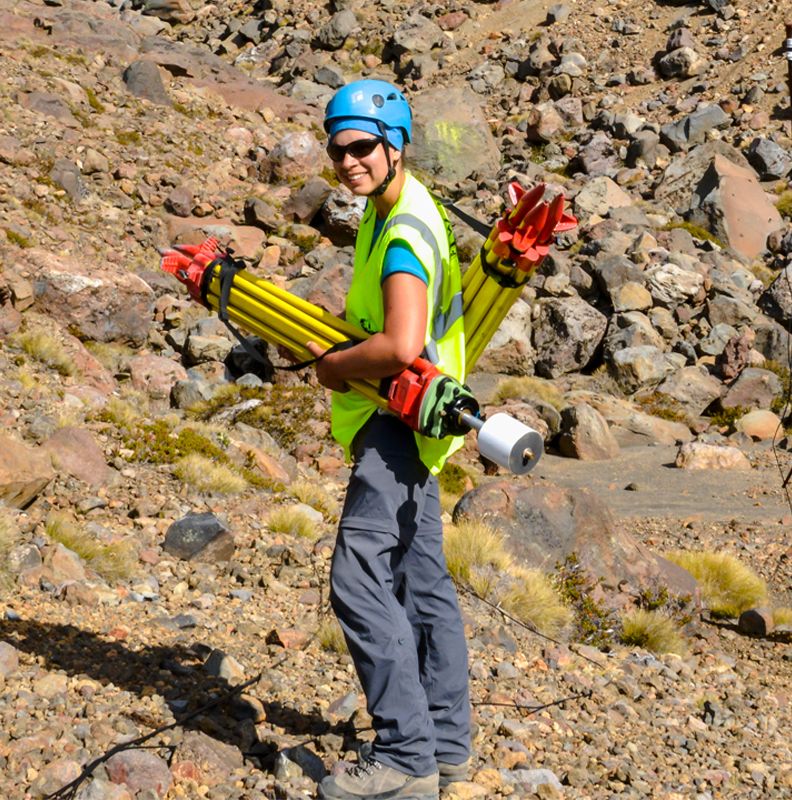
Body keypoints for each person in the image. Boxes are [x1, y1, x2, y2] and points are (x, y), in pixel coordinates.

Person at [304, 79, 471, 800]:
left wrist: (333, 367)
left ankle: (405, 757)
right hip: (419, 424)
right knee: (422, 582)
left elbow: (402, 343)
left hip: (397, 421)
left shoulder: (403, 227)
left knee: (357, 579)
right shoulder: (394, 207)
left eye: (362, 146)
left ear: (395, 144)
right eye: (337, 148)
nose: (347, 160)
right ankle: (447, 744)